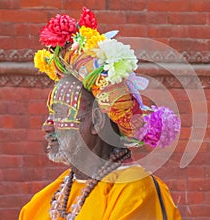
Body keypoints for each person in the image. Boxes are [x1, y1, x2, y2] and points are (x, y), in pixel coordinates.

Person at [19, 7, 182, 220]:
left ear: (96, 121)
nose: (48, 125)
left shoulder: (135, 189)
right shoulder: (40, 203)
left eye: (59, 113)